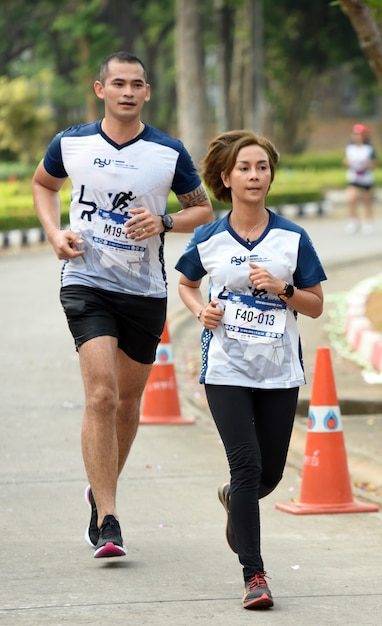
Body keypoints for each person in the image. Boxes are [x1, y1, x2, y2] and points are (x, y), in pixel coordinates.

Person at [32, 51, 213, 559]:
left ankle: (100, 487)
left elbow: (201, 207)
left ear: (147, 92)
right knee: (102, 396)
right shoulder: (71, 142)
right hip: (85, 281)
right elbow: (43, 185)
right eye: (118, 83)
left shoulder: (168, 152)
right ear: (100, 89)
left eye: (137, 84)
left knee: (129, 403)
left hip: (144, 291)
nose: (128, 91)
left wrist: (166, 223)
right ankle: (108, 518)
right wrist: (53, 234)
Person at [175, 130, 326, 610]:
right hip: (225, 368)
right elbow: (185, 283)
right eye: (245, 167)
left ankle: (232, 498)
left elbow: (316, 306)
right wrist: (201, 311)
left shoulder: (291, 237)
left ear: (270, 176)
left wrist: (283, 289)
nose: (255, 175)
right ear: (227, 177)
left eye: (262, 167)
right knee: (247, 465)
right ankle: (254, 575)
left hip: (279, 370)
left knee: (270, 472)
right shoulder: (210, 237)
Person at [343, 123, 378, 235]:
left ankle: (368, 221)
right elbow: (345, 161)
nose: (356, 136)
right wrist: (347, 163)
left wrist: (366, 164)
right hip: (354, 176)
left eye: (359, 134)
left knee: (367, 199)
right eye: (355, 134)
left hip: (366, 177)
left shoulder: (369, 148)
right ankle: (354, 221)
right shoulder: (350, 147)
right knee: (352, 198)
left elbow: (375, 162)